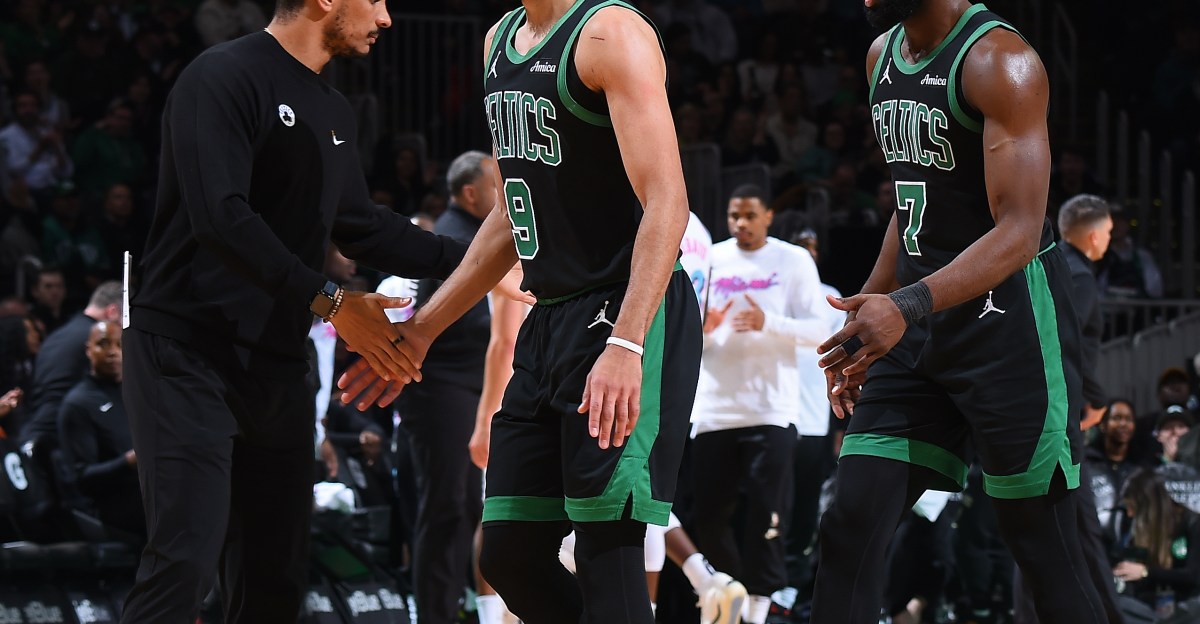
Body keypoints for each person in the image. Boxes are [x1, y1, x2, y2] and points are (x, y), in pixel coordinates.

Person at [339, 1, 700, 621]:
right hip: (550, 315)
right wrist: (424, 329)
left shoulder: (610, 33)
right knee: (508, 553)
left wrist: (627, 343)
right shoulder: (499, 41)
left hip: (624, 309)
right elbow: (512, 210)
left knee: (608, 554)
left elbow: (668, 199)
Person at [118, 0, 469, 620]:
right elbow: (221, 216)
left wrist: (479, 260)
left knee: (275, 581)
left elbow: (360, 226)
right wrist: (332, 302)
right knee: (184, 560)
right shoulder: (220, 75)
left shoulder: (332, 106)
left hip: (278, 363)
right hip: (186, 352)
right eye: (375, 0)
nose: (386, 18)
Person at [811, 1, 1106, 622]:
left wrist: (905, 304)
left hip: (1010, 329)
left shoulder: (1002, 61)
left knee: (1044, 551)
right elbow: (912, 207)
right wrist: (865, 319)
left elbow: (1020, 230)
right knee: (848, 529)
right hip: (918, 326)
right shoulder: (881, 56)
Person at [691, 185, 827, 624]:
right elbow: (683, 335)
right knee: (708, 518)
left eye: (750, 215)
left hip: (771, 409)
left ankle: (758, 610)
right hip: (713, 409)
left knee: (767, 517)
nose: (741, 224)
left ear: (769, 215)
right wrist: (702, 327)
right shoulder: (711, 257)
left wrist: (769, 322)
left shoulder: (793, 260)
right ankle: (729, 595)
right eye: (734, 216)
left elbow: (819, 331)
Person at [398, 150, 497, 624]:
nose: (506, 192)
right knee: (447, 510)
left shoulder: (476, 232)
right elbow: (459, 322)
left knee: (469, 509)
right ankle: (436, 614)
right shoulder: (452, 235)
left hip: (469, 385)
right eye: (496, 184)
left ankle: (461, 608)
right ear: (470, 193)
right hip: (441, 386)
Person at [56, 320, 144, 538]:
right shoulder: (78, 404)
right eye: (103, 344)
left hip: (151, 491)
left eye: (119, 344)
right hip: (115, 506)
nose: (113, 352)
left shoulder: (140, 391)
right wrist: (128, 461)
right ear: (89, 350)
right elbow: (82, 478)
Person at [20, 281, 122, 448]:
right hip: (60, 437)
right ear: (112, 311)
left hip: (37, 427)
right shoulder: (94, 340)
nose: (113, 351)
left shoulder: (59, 334)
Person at [1112, 469, 1200, 617]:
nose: (1130, 514)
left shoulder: (1192, 524)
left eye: (1132, 507)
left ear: (1148, 506)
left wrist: (1145, 572)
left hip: (1188, 609)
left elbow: (1193, 576)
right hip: (1151, 608)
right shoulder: (1137, 528)